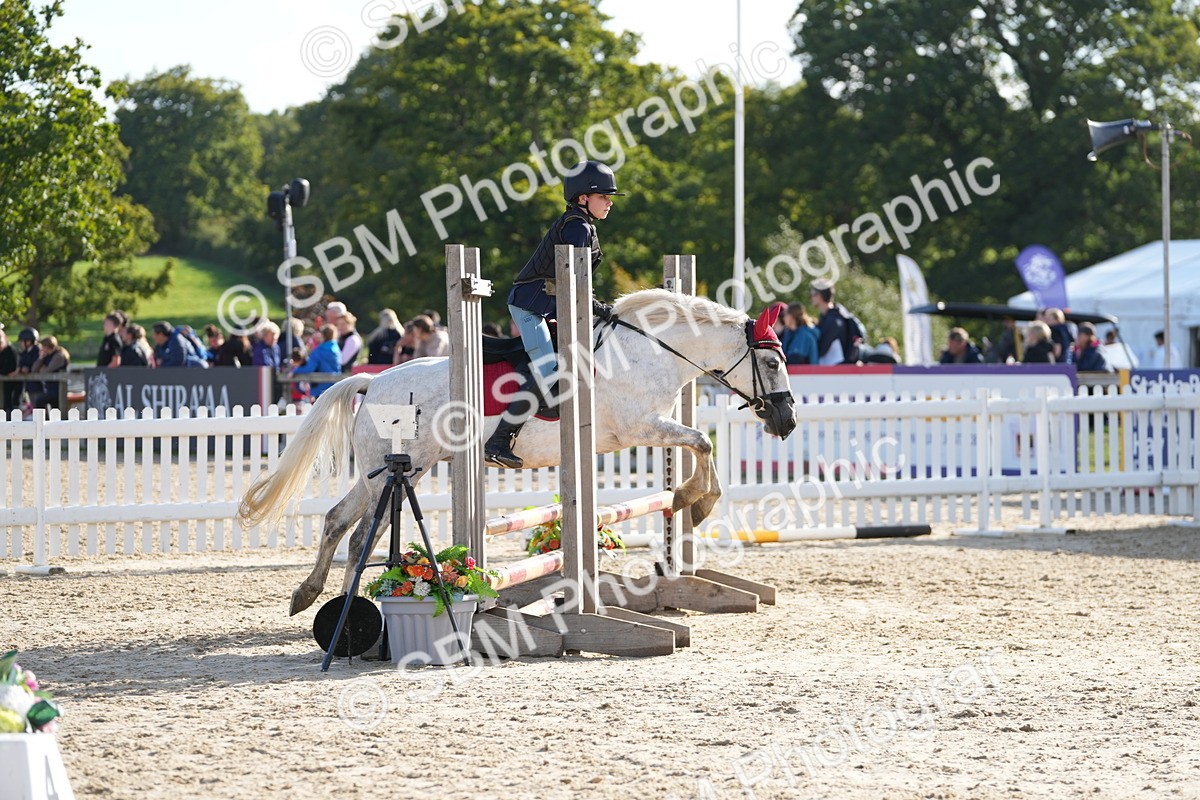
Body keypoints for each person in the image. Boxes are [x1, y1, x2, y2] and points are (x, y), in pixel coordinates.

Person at [484, 160, 623, 468]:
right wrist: (600, 308)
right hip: (530, 305)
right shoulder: (576, 227)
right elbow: (572, 282)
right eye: (604, 196)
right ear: (583, 197)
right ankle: (498, 441)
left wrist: (598, 308)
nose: (610, 202)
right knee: (546, 368)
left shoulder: (582, 225)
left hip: (547, 303)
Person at [810, 279, 864, 365]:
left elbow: (821, 349)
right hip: (836, 368)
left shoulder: (833, 320)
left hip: (838, 370)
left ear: (820, 296)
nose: (811, 297)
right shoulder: (832, 315)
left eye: (812, 294)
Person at [292, 324, 341, 399]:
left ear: (322, 335)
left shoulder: (319, 351)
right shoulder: (337, 349)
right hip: (337, 387)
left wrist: (295, 371)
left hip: (321, 389)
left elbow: (309, 369)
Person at [30, 336, 70, 411]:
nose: (41, 349)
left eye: (43, 347)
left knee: (41, 401)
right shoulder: (46, 355)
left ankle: (43, 419)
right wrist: (40, 358)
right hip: (50, 388)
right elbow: (34, 370)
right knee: (53, 410)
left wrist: (42, 369)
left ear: (47, 346)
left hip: (58, 390)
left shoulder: (59, 355)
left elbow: (47, 371)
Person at [0, 324, 18, 414]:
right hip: (3, 383)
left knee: (10, 403)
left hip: (12, 383)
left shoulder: (11, 351)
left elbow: (11, 367)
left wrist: (4, 372)